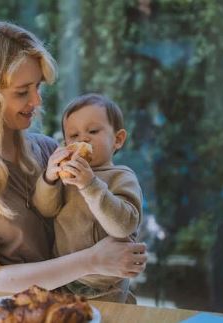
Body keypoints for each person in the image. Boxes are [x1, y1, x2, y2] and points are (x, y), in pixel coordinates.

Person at [0, 20, 147, 293]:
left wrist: (120, 254)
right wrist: (93, 261)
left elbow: (99, 216)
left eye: (38, 87)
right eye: (22, 92)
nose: (37, 101)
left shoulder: (47, 150)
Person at [32, 94, 143, 303]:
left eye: (93, 131)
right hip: (63, 279)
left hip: (107, 285)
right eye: (73, 135)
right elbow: (44, 210)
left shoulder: (122, 176)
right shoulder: (66, 177)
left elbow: (124, 226)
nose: (83, 139)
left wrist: (89, 185)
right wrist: (48, 178)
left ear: (117, 139)